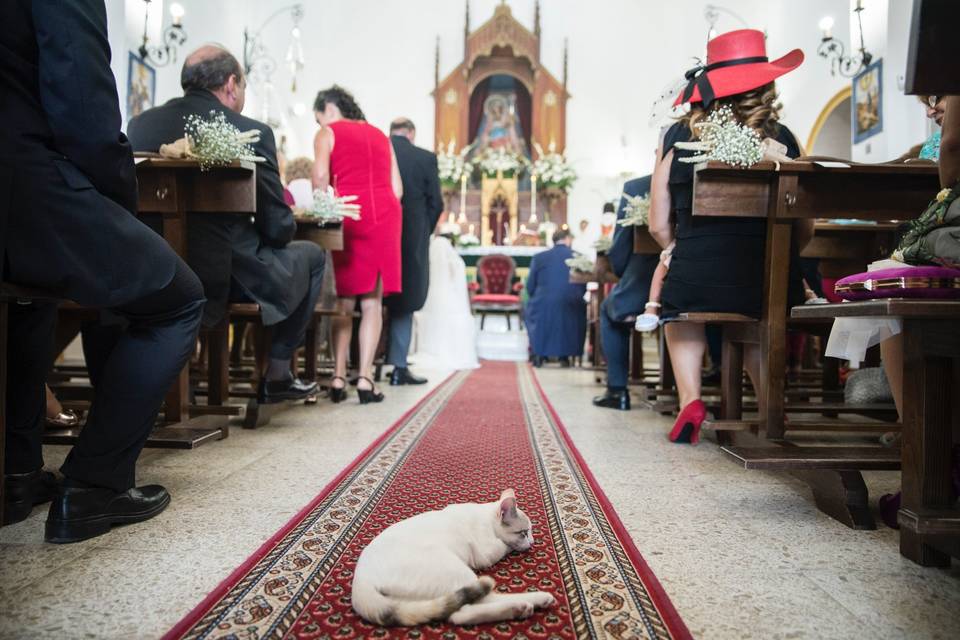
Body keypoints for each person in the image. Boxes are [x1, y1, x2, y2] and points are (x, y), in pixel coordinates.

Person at [2, 0, 205, 541]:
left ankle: (17, 477)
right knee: (180, 298)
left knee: (31, 292)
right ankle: (93, 486)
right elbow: (83, 101)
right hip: (21, 178)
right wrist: (119, 208)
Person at [127, 46, 323, 404]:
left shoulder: (141, 124)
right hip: (222, 275)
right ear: (232, 84)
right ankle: (278, 373)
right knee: (313, 255)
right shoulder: (250, 131)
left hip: (147, 267)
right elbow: (278, 227)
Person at [648, 29, 811, 443]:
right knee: (761, 318)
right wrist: (785, 255)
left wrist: (675, 250)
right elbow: (803, 222)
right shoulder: (785, 139)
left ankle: (691, 402)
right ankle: (775, 408)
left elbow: (657, 222)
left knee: (679, 312)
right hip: (765, 279)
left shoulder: (677, 138)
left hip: (697, 276)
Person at [312, 86, 403, 403]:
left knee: (344, 302)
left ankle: (338, 377)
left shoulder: (328, 132)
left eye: (317, 117)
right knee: (372, 303)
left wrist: (324, 210)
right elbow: (397, 188)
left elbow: (321, 176)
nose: (319, 123)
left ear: (327, 110)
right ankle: (365, 379)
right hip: (385, 217)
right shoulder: (381, 135)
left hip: (349, 215)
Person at [592, 177, 660, 410]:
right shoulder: (734, 168)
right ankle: (716, 370)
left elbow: (620, 250)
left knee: (611, 310)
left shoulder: (638, 187)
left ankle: (617, 390)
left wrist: (621, 270)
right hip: (710, 282)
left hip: (647, 280)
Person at [385, 118, 444, 386]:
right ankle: (398, 366)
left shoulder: (381, 150)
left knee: (372, 299)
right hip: (411, 238)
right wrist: (423, 231)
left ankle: (362, 366)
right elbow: (437, 203)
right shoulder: (425, 158)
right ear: (412, 132)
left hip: (380, 232)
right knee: (406, 300)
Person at [414, 235, 480, 370]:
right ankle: (453, 351)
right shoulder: (455, 262)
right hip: (450, 297)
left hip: (431, 296)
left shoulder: (429, 261)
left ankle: (432, 349)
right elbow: (457, 285)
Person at [525, 229, 587, 367]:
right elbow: (583, 286)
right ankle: (565, 357)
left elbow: (530, 286)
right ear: (567, 239)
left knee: (534, 309)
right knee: (573, 311)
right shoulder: (578, 257)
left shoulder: (539, 257)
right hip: (571, 301)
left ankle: (540, 354)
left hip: (543, 301)